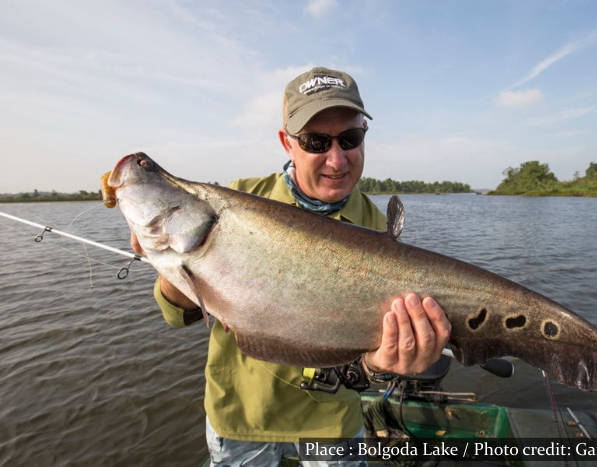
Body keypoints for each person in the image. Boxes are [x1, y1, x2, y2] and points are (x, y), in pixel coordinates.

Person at [130, 66, 451, 466]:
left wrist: (382, 364)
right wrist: (178, 259)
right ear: (287, 142)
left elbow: (365, 351)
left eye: (350, 139)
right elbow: (177, 315)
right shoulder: (237, 199)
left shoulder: (373, 224)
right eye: (316, 141)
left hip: (331, 423)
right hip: (242, 419)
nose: (337, 159)